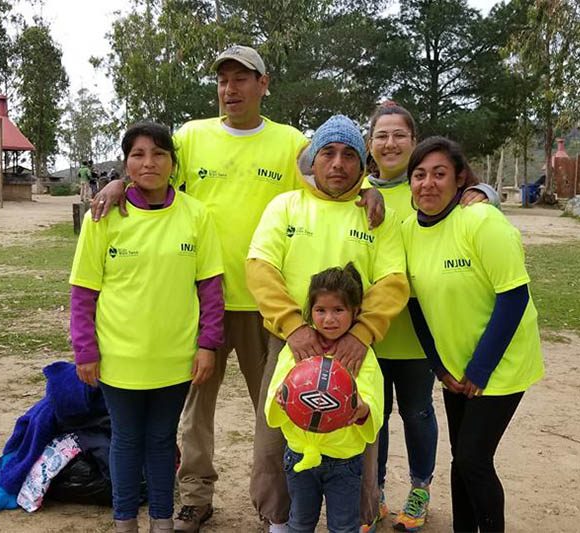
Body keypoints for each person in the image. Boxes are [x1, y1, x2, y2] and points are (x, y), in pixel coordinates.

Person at [90, 46, 385, 532]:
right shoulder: (191, 136)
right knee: (194, 410)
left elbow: (332, 174)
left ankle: (284, 510)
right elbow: (152, 167)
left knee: (276, 406)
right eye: (224, 80)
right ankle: (195, 497)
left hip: (267, 308)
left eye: (242, 79)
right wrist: (120, 183)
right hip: (197, 298)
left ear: (263, 84)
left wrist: (369, 186)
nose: (231, 88)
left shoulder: (289, 142)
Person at [247, 114, 408, 532]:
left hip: (353, 348)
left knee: (357, 432)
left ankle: (352, 521)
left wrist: (362, 332)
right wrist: (294, 328)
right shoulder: (286, 206)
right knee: (275, 430)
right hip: (290, 341)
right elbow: (260, 268)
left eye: (349, 155)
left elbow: (393, 281)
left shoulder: (374, 214)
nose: (338, 163)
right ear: (312, 160)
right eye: (328, 153)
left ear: (362, 164)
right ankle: (280, 522)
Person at [69, 122, 225, 533]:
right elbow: (83, 291)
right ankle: (124, 522)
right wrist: (85, 350)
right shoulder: (102, 218)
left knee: (160, 441)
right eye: (138, 154)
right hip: (119, 358)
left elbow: (210, 289)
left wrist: (208, 344)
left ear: (173, 162)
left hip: (175, 359)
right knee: (125, 440)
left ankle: (161, 521)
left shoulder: (196, 215)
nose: (149, 162)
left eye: (159, 153)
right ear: (126, 163)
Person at [362, 102, 499, 532]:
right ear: (369, 143)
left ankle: (420, 486)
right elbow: (311, 171)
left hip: (421, 334)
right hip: (369, 332)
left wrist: (488, 192)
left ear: (414, 142)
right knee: (373, 415)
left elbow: (474, 196)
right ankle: (376, 488)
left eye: (399, 135)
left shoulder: (428, 184)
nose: (390, 143)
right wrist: (363, 190)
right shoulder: (355, 187)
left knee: (418, 413)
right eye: (381, 135)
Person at [401, 136, 545, 532]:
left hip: (500, 365)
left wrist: (479, 371)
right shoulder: (407, 232)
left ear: (460, 179)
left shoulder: (482, 222)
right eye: (419, 175)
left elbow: (513, 298)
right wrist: (440, 368)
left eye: (439, 174)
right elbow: (414, 306)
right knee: (460, 457)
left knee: (473, 459)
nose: (428, 183)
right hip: (454, 367)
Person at [265, 263, 383, 533]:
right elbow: (275, 391)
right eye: (321, 310)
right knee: (300, 523)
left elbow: (374, 400)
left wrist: (363, 409)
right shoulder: (297, 349)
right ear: (310, 312)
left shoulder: (360, 355)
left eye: (338, 310)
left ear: (355, 312)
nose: (329, 319)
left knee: (343, 526)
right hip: (299, 455)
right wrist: (281, 400)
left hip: (345, 459)